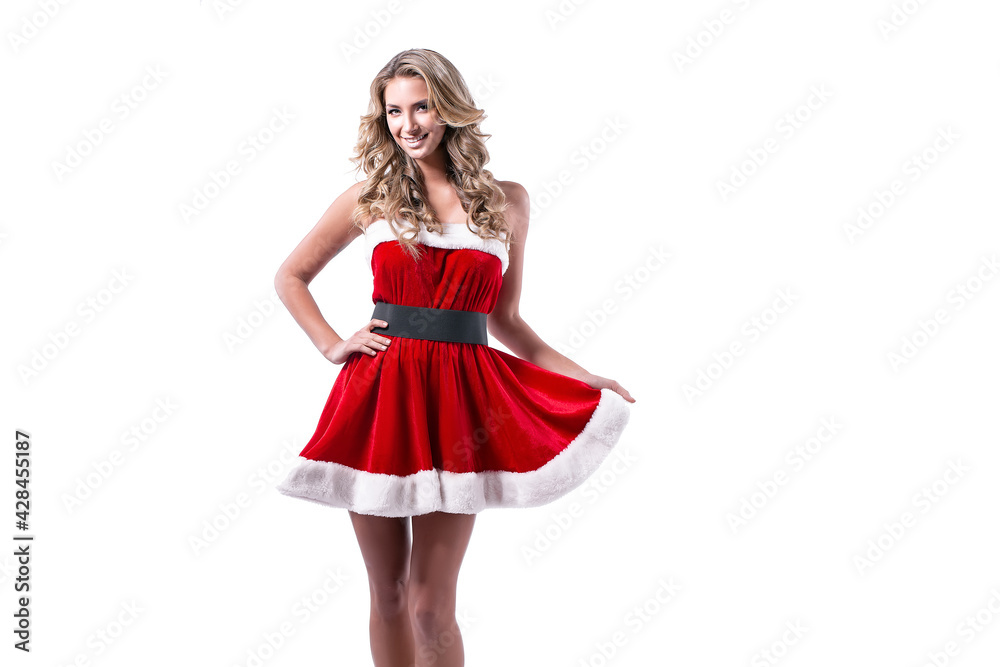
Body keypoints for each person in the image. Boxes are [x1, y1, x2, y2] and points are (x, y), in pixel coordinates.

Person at [275, 48, 635, 667]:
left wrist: (585, 378)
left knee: (428, 604)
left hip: (460, 406)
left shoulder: (508, 200)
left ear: (450, 109)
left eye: (422, 107)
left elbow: (508, 321)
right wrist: (334, 344)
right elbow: (291, 276)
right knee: (386, 594)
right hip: (380, 396)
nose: (407, 124)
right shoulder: (371, 197)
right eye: (394, 111)